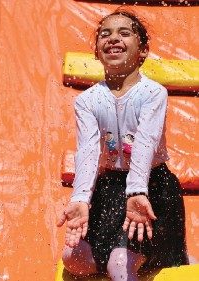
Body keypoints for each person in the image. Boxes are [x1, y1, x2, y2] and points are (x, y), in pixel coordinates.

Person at [57, 9, 188, 281]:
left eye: (124, 33)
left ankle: (154, 258)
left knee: (120, 263)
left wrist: (137, 190)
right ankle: (131, 260)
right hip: (110, 190)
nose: (113, 38)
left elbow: (145, 142)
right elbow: (88, 151)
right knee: (74, 259)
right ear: (97, 52)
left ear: (142, 51)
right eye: (105, 34)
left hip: (152, 188)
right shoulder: (88, 101)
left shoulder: (152, 93)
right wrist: (81, 199)